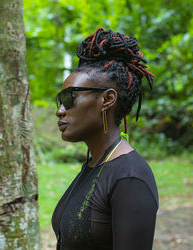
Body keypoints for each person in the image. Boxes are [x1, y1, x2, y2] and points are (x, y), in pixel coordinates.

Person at [52, 27, 158, 250]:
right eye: (59, 100)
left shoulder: (129, 178)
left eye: (69, 98)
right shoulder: (95, 164)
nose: (60, 110)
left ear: (107, 99)